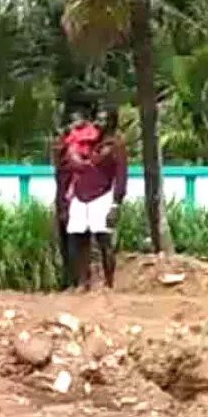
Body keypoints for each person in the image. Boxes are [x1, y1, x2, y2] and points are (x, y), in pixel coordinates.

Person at [63, 105, 127, 290]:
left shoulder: (116, 145)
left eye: (104, 118)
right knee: (78, 239)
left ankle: (109, 285)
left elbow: (121, 176)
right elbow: (72, 164)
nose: (99, 122)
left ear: (112, 122)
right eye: (98, 118)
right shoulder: (85, 141)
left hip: (102, 196)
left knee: (103, 241)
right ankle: (83, 282)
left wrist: (116, 203)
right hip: (80, 195)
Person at [52, 106, 95, 289]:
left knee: (79, 240)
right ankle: (70, 280)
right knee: (66, 240)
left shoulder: (89, 144)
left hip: (79, 198)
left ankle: (81, 281)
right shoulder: (64, 149)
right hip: (64, 197)